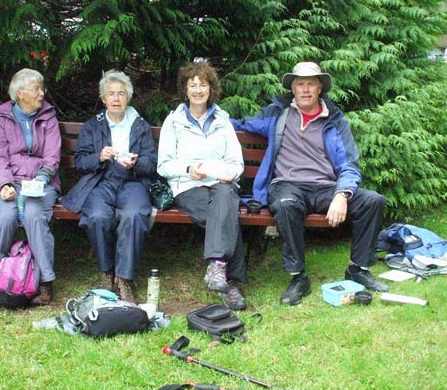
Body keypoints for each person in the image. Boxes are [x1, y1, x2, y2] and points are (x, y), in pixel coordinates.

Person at [232, 61, 388, 306]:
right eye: (300, 84)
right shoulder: (278, 115)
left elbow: (349, 164)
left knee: (373, 201)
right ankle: (298, 278)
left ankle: (358, 269)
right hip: (288, 186)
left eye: (311, 84)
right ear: (293, 89)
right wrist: (203, 117)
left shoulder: (336, 122)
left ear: (320, 89)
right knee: (285, 205)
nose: (305, 89)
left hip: (326, 188)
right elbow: (241, 124)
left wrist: (342, 194)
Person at [157, 60, 247, 310]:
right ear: (185, 90)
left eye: (203, 84)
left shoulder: (223, 121)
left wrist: (229, 174)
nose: (198, 90)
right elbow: (163, 166)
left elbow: (236, 163)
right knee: (225, 216)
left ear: (211, 89)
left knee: (224, 198)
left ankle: (217, 267)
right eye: (192, 85)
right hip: (188, 187)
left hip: (221, 185)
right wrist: (188, 170)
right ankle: (230, 283)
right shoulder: (173, 122)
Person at [61, 70, 157, 303]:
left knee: (134, 215)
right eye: (111, 94)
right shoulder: (93, 125)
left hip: (132, 182)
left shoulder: (140, 125)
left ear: (128, 98)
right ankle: (106, 273)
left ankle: (124, 278)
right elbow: (81, 162)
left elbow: (152, 163)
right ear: (103, 99)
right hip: (101, 182)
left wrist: (135, 163)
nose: (116, 98)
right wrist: (99, 157)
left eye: (121, 94)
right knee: (96, 216)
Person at [0, 68, 61, 305]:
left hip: (41, 181)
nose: (41, 94)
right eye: (36, 89)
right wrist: (4, 183)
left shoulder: (49, 117)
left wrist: (42, 179)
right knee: (5, 218)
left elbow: (52, 156)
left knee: (35, 216)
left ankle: (45, 281)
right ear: (20, 93)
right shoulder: (2, 118)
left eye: (42, 88)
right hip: (11, 180)